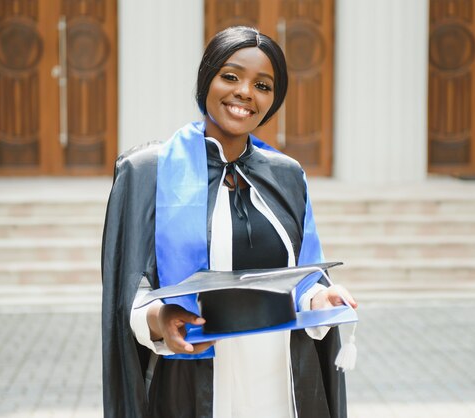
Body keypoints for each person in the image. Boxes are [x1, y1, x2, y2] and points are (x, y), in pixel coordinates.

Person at [102, 26, 357, 418]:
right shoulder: (149, 171)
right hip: (195, 383)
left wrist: (322, 299)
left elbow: (302, 279)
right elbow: (129, 291)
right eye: (231, 76)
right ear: (207, 79)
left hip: (278, 379)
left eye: (263, 85)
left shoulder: (286, 175)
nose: (245, 93)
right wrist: (162, 317)